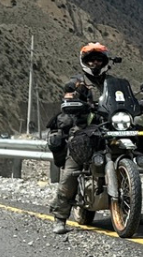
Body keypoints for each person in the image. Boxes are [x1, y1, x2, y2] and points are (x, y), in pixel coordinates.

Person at [46, 42, 115, 233]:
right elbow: (67, 102)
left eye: (99, 59)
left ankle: (131, 205)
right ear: (84, 61)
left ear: (105, 61)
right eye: (91, 59)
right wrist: (76, 103)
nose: (95, 63)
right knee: (71, 171)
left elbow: (120, 99)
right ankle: (60, 217)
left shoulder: (112, 82)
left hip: (109, 128)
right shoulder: (76, 83)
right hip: (83, 132)